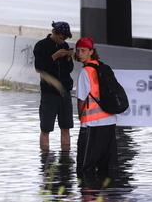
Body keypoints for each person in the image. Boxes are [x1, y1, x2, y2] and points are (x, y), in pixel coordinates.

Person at [75, 37, 118, 180]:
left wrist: (80, 116)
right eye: (78, 50)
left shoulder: (85, 72)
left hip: (92, 125)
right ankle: (106, 199)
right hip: (110, 121)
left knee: (85, 168)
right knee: (107, 168)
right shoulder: (104, 68)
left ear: (91, 52)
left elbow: (81, 100)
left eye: (83, 51)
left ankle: (88, 198)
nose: (80, 53)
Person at [33, 21, 74, 152]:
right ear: (55, 33)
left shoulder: (65, 45)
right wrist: (55, 56)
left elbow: (69, 69)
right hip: (49, 93)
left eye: (66, 38)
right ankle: (45, 157)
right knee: (46, 129)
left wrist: (68, 57)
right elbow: (39, 68)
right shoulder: (41, 46)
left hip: (65, 92)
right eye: (62, 37)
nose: (63, 40)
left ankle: (66, 157)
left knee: (66, 127)